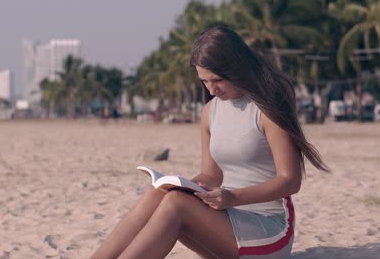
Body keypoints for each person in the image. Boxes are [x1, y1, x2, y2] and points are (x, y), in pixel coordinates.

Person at [90, 26, 329, 259]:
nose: (211, 89)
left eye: (217, 80)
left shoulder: (266, 108)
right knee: (158, 193)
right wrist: (185, 186)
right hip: (225, 218)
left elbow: (290, 181)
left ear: (236, 69)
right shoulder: (209, 112)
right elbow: (210, 176)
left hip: (268, 226)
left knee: (177, 205)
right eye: (204, 81)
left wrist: (233, 198)